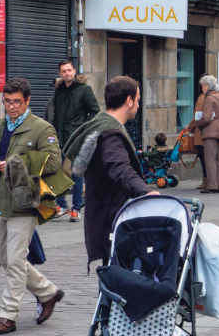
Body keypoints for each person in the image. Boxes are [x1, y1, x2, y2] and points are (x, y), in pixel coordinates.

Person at [0, 78, 65, 335]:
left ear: (26, 101)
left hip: (26, 202)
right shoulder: (0, 125)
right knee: (4, 257)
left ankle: (8, 316)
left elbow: (52, 163)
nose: (11, 106)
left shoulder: (41, 127)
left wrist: (15, 162)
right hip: (0, 200)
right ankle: (48, 292)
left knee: (15, 260)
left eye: (16, 101)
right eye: (7, 101)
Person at [65, 75, 156, 270]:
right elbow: (119, 168)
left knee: (113, 275)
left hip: (104, 213)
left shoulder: (101, 123)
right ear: (129, 101)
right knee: (118, 275)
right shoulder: (110, 132)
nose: (139, 105)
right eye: (138, 100)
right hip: (112, 215)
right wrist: (146, 191)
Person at [47, 60, 98, 222]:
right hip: (60, 137)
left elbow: (95, 111)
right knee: (58, 171)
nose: (67, 73)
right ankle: (61, 205)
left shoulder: (84, 90)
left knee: (75, 174)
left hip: (76, 137)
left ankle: (76, 208)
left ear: (74, 71)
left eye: (69, 70)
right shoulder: (59, 91)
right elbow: (54, 113)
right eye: (63, 71)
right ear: (60, 73)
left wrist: (84, 128)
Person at [191, 75, 219, 193]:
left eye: (203, 86)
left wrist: (198, 124)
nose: (202, 88)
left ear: (207, 86)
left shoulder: (209, 99)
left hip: (211, 133)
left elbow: (206, 118)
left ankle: (212, 185)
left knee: (210, 159)